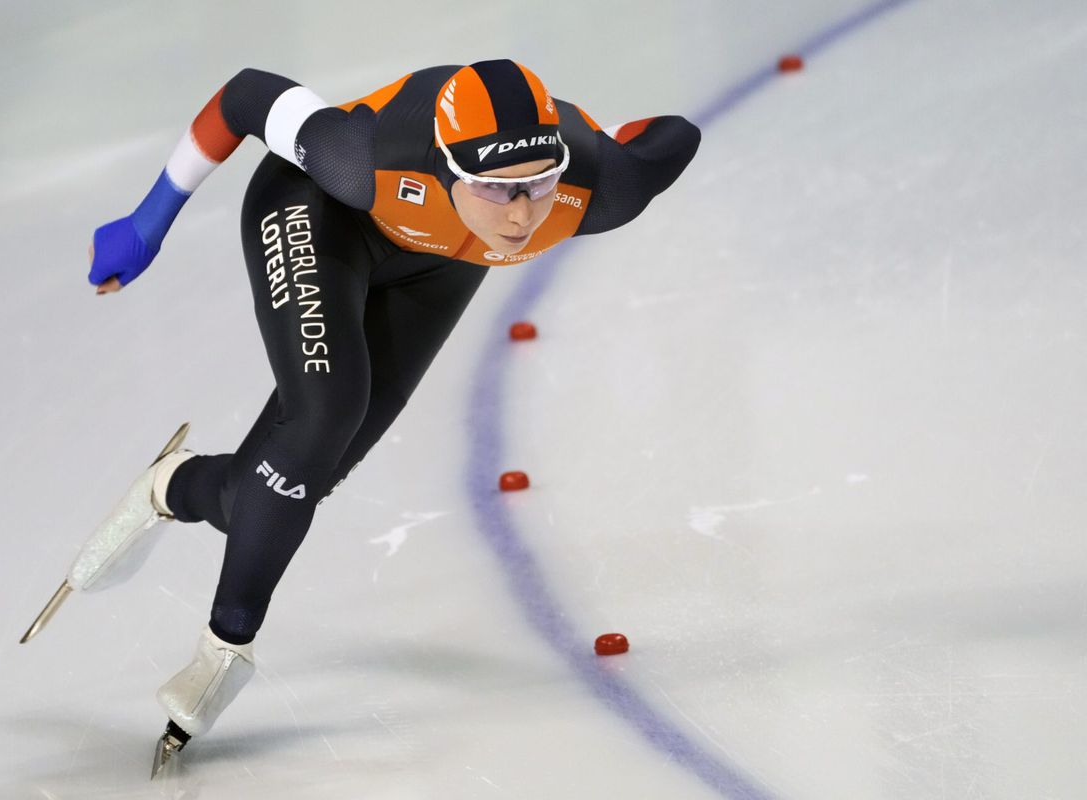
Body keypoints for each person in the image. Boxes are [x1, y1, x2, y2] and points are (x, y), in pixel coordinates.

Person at [64, 59, 700, 773]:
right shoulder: (358, 158)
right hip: (317, 213)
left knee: (294, 479)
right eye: (496, 187)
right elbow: (245, 96)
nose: (522, 214)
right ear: (451, 165)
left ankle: (174, 487)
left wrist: (597, 139)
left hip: (443, 259)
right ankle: (224, 650)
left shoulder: (599, 188)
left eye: (539, 182)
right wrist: (149, 221)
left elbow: (670, 136)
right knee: (326, 414)